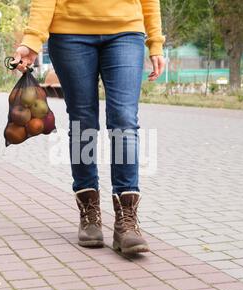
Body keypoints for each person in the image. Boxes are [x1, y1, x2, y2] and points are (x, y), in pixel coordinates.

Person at [13, 0, 165, 254]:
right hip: (69, 33)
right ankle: (89, 213)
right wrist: (33, 38)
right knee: (83, 122)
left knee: (124, 119)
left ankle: (126, 221)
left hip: (126, 31)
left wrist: (156, 42)